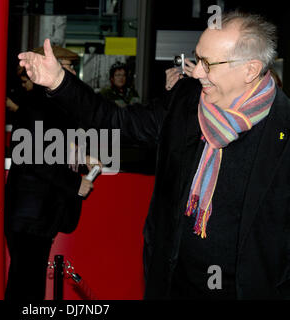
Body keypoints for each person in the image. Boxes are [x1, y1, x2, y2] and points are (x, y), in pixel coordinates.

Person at [18, 11, 290, 299]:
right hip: (174, 285)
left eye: (208, 64)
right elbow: (117, 122)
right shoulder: (186, 100)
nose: (196, 72)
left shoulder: (283, 130)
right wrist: (60, 81)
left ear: (250, 70)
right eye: (197, 59)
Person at [5, 49, 100, 300]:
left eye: (70, 66)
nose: (70, 72)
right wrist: (74, 183)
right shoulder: (38, 103)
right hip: (30, 215)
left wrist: (79, 158)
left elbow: (49, 149)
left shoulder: (50, 102)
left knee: (28, 286)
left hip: (36, 215)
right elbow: (32, 156)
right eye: (65, 65)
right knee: (25, 287)